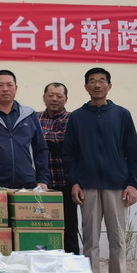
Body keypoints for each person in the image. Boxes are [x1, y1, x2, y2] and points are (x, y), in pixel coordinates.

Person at [63, 68, 137, 273]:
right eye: (92, 81)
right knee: (90, 241)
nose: (97, 85)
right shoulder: (77, 117)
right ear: (85, 87)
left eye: (101, 81)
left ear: (109, 86)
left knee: (118, 240)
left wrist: (133, 183)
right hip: (87, 186)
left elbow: (133, 152)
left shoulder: (121, 115)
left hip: (116, 186)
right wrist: (74, 182)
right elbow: (69, 154)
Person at [39, 82, 79, 255]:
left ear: (66, 99)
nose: (54, 99)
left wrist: (41, 139)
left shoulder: (73, 119)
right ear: (44, 98)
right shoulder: (34, 118)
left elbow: (65, 141)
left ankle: (72, 263)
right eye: (51, 95)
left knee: (69, 228)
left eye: (59, 96)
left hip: (66, 183)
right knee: (41, 226)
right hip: (42, 184)